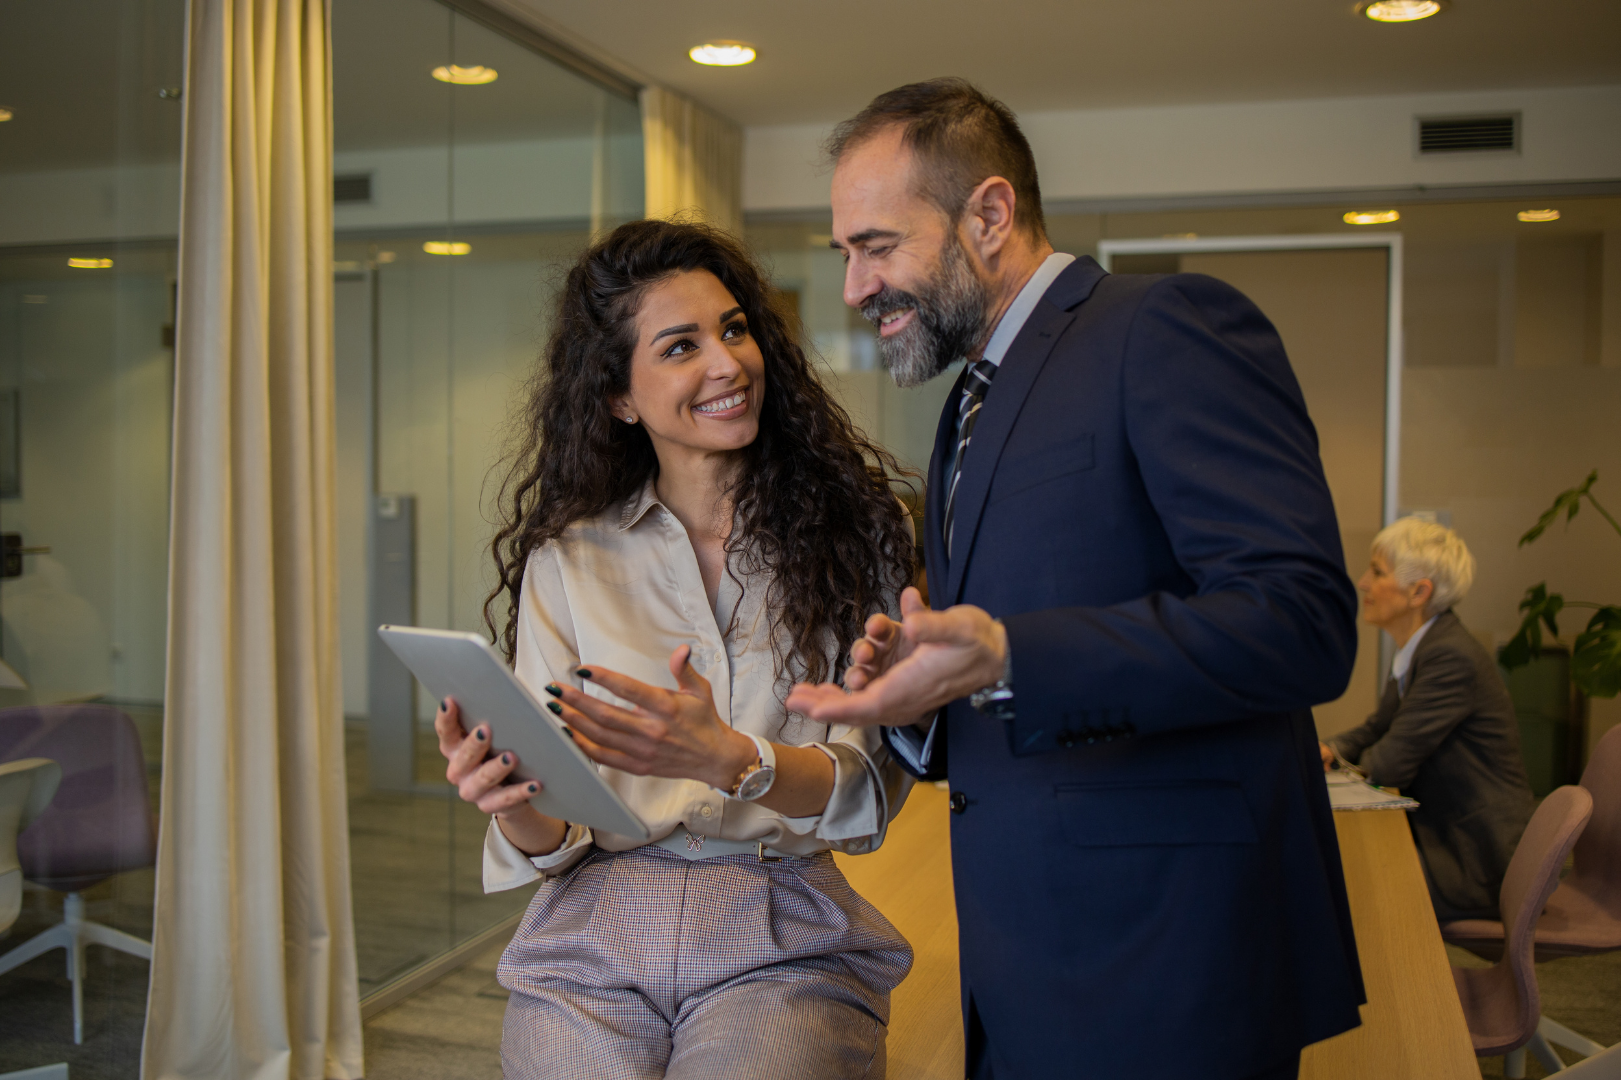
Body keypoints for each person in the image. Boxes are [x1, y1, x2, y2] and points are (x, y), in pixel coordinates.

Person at [785, 79, 1364, 1080]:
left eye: (875, 247)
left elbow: (1301, 618)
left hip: (1168, 958)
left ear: (990, 214)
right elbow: (1005, 667)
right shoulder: (967, 402)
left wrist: (1010, 656)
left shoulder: (1165, 327)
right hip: (1026, 961)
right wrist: (920, 693)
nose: (854, 287)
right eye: (845, 255)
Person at [435, 219, 918, 1080]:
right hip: (595, 925)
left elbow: (870, 794)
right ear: (619, 396)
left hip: (780, 921)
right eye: (680, 346)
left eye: (734, 330)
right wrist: (506, 796)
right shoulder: (569, 558)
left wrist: (738, 760)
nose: (728, 364)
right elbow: (558, 837)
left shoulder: (860, 540)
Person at [1322, 517, 1533, 921]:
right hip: (1448, 835)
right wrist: (1329, 749)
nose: (1364, 583)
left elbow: (1389, 763)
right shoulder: (1421, 647)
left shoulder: (1449, 657)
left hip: (1475, 859)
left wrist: (1345, 763)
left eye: (1378, 572)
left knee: (1345, 885)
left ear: (1419, 592)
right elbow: (1377, 728)